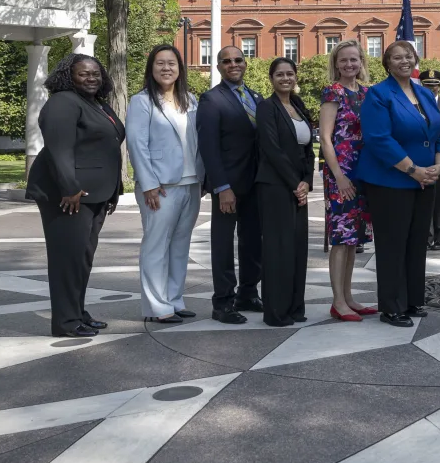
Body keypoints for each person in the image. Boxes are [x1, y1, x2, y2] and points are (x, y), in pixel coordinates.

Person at [26, 53, 124, 338]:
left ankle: (78, 312)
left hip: (94, 196)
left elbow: (107, 148)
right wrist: (70, 188)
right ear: (69, 76)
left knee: (81, 258)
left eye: (96, 73)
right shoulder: (62, 102)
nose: (92, 78)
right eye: (84, 73)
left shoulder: (97, 104)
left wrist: (113, 191)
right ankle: (66, 322)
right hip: (69, 196)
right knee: (66, 260)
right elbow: (59, 149)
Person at [353, 41, 440, 327]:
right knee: (393, 244)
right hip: (391, 181)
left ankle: (413, 300)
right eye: (397, 57)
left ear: (415, 58)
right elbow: (379, 139)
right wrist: (413, 170)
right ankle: (392, 307)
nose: (404, 61)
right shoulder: (379, 95)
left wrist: (439, 165)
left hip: (426, 180)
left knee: (418, 241)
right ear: (388, 63)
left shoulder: (424, 93)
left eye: (408, 56)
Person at [126, 44, 203, 325]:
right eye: (160, 63)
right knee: (156, 245)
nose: (166, 68)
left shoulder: (190, 100)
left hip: (191, 183)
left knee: (180, 245)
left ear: (180, 68)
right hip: (160, 187)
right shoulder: (142, 101)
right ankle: (158, 306)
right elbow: (136, 143)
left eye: (172, 63)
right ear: (151, 68)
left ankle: (174, 299)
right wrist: (147, 183)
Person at [196, 45, 263, 325]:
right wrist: (221, 187)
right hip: (228, 186)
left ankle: (248, 292)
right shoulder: (211, 99)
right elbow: (209, 148)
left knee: (252, 242)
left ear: (245, 64)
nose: (233, 64)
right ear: (219, 66)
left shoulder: (257, 98)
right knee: (223, 244)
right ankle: (223, 301)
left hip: (257, 184)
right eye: (226, 61)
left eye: (238, 60)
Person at [255, 57, 316, 327]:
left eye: (290, 74)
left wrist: (306, 181)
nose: (285, 78)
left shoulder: (299, 106)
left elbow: (308, 149)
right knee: (278, 249)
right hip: (275, 186)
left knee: (297, 248)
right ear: (272, 79)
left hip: (297, 187)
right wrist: (295, 184)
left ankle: (294, 306)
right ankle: (276, 311)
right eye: (279, 74)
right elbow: (271, 149)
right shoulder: (266, 108)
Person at [318, 40, 376, 321]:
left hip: (362, 172)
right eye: (343, 61)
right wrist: (339, 176)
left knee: (354, 239)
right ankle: (337, 301)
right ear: (336, 64)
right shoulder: (333, 92)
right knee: (341, 239)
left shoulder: (367, 93)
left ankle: (349, 296)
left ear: (361, 61)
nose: (349, 65)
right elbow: (326, 139)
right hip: (340, 174)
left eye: (354, 60)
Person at [420, 70, 440, 251]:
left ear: (439, 86)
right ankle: (426, 235)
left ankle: (439, 236)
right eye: (427, 86)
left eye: (434, 86)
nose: (431, 89)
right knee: (424, 198)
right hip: (422, 158)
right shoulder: (416, 104)